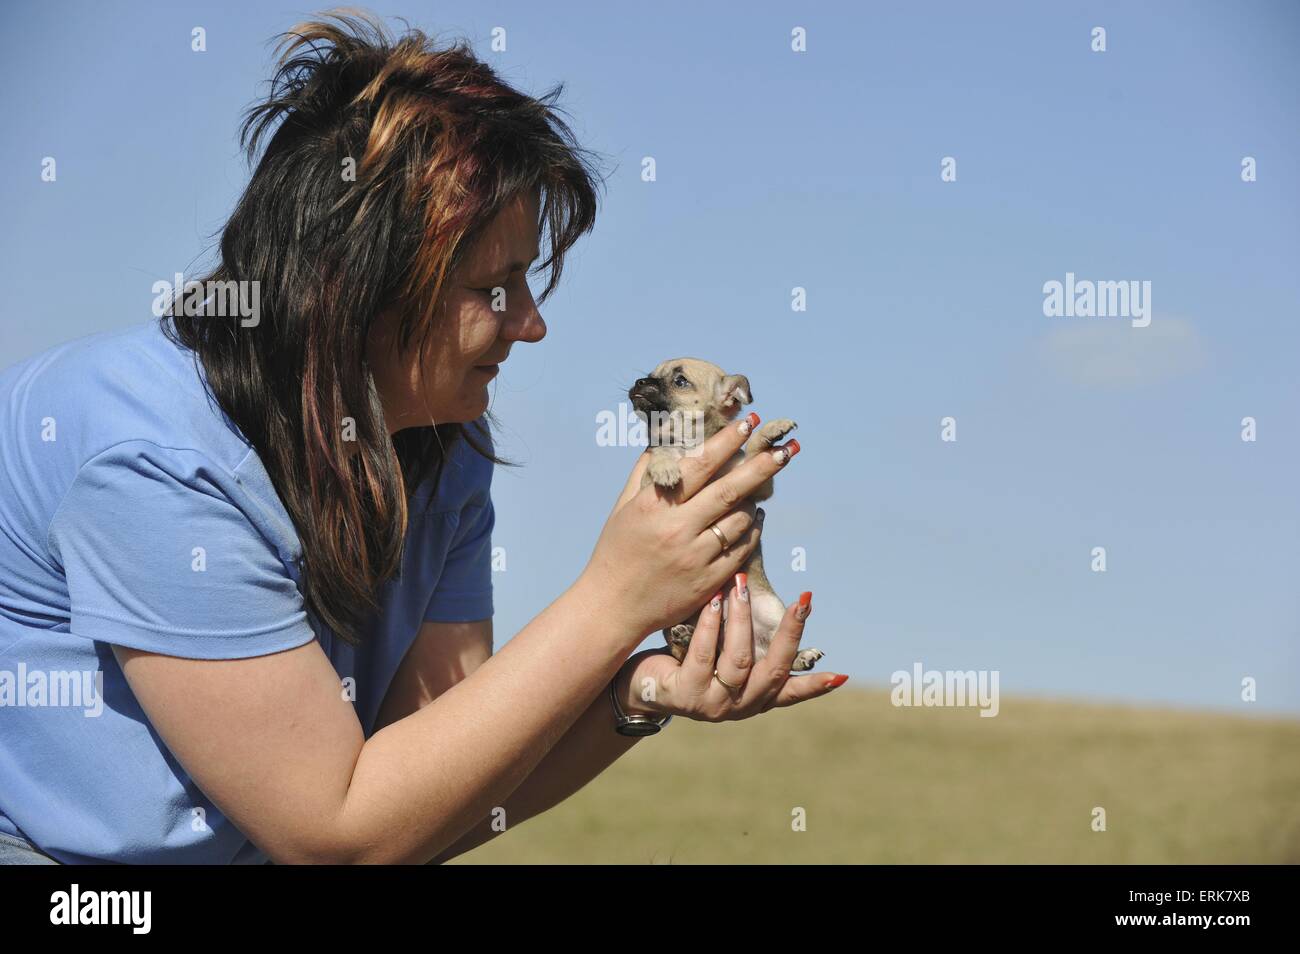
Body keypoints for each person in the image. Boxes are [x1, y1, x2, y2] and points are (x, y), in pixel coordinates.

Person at [0, 12, 846, 865]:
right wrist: (616, 596)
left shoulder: (444, 448)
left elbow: (436, 792)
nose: (534, 325)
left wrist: (642, 686)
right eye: (495, 287)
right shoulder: (154, 461)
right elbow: (336, 835)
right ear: (355, 286)